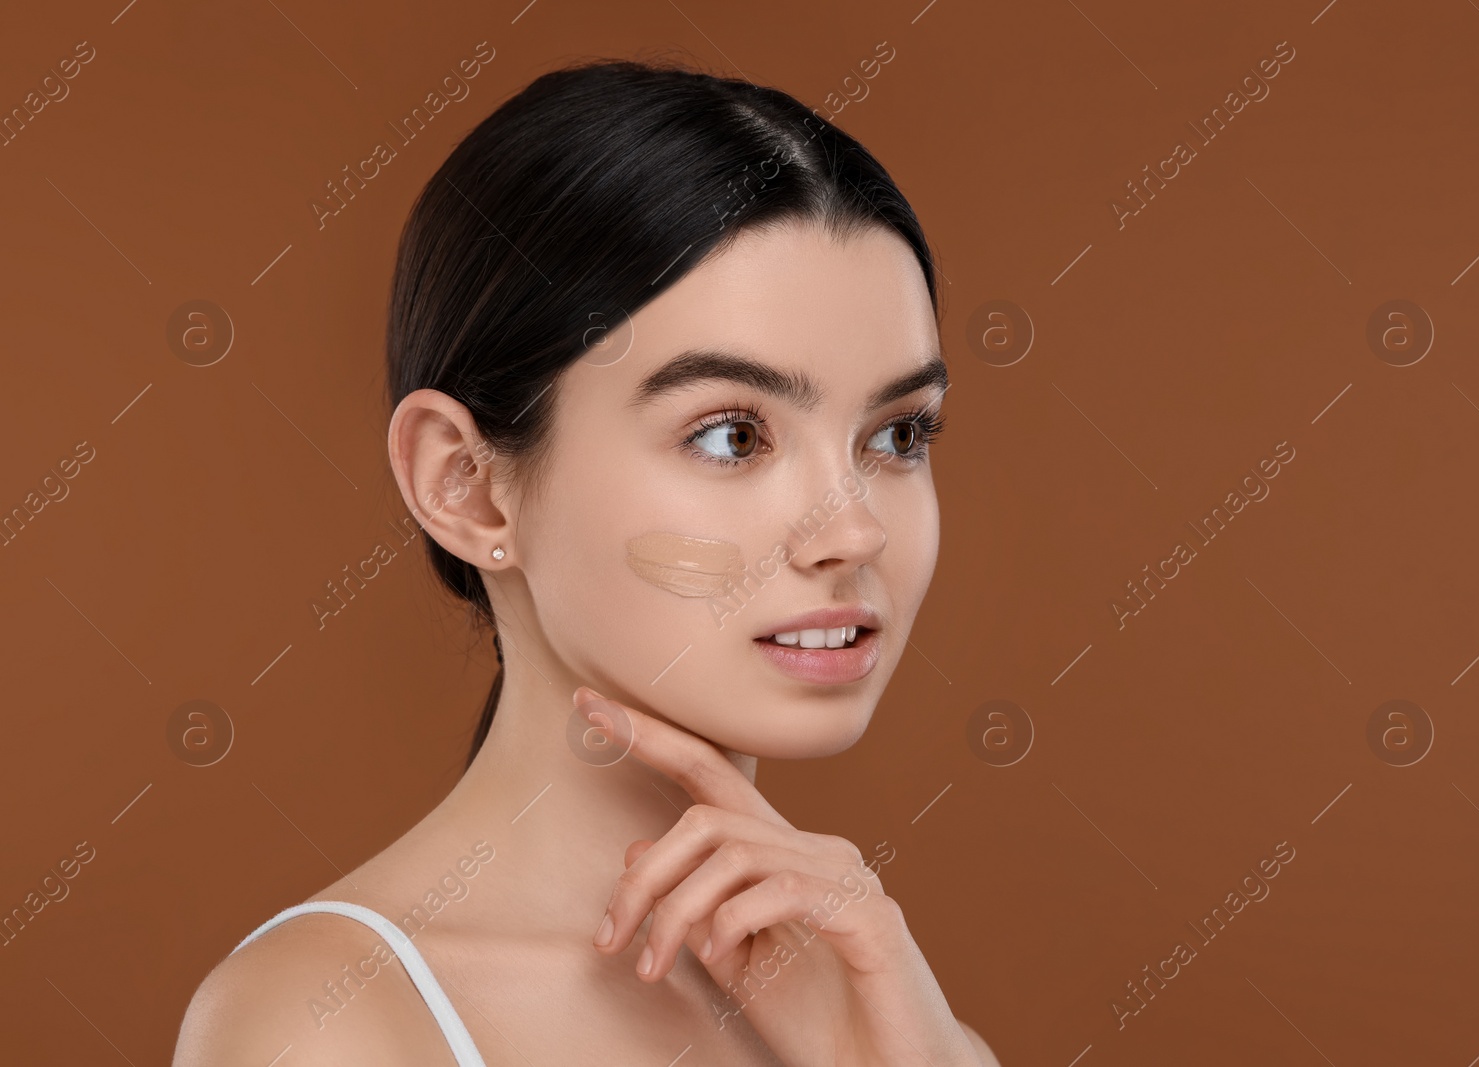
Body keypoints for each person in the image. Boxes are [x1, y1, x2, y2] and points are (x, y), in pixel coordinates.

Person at [174, 56, 998, 1066]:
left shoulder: (888, 1010)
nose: (855, 529)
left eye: (899, 433)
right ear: (465, 483)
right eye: (732, 434)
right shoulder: (328, 1023)